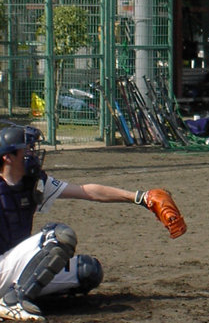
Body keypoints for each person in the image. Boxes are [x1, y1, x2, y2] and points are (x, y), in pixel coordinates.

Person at [0, 124, 177, 322]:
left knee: (87, 271)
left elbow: (87, 191)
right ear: (8, 157)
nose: (32, 155)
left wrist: (140, 198)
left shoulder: (34, 183)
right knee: (59, 236)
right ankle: (11, 302)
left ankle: (18, 295)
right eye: (26, 150)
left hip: (15, 269)